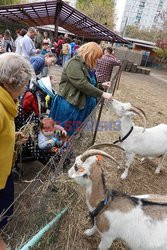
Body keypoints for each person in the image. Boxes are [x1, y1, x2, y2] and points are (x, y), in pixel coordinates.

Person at [0, 53, 33, 249]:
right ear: (12, 83)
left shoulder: (6, 101)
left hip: (4, 172)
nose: (25, 90)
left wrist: (13, 136)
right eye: (24, 85)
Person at [49, 42, 112, 135]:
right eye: (96, 57)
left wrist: (101, 85)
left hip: (79, 106)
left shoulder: (86, 66)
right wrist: (102, 93)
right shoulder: (74, 63)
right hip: (70, 105)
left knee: (71, 132)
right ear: (90, 54)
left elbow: (89, 83)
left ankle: (66, 146)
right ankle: (57, 147)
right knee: (62, 131)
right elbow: (81, 84)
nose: (97, 60)